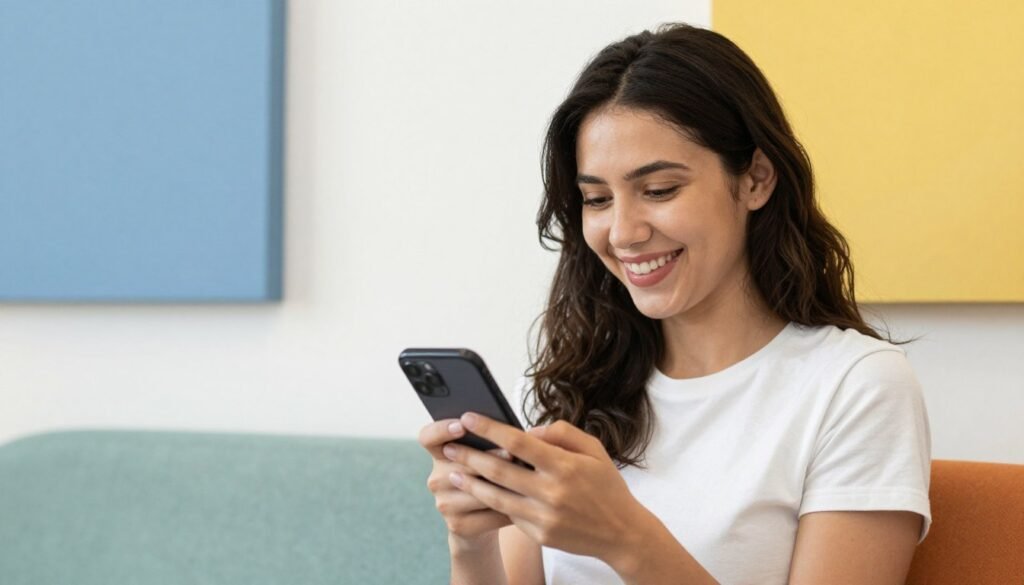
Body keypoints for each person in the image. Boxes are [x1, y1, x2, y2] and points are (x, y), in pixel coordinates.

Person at [418, 22, 931, 585]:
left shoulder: (854, 386)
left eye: (659, 190)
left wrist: (624, 537)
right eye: (596, 199)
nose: (624, 233)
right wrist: (470, 544)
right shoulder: (563, 388)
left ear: (756, 179)